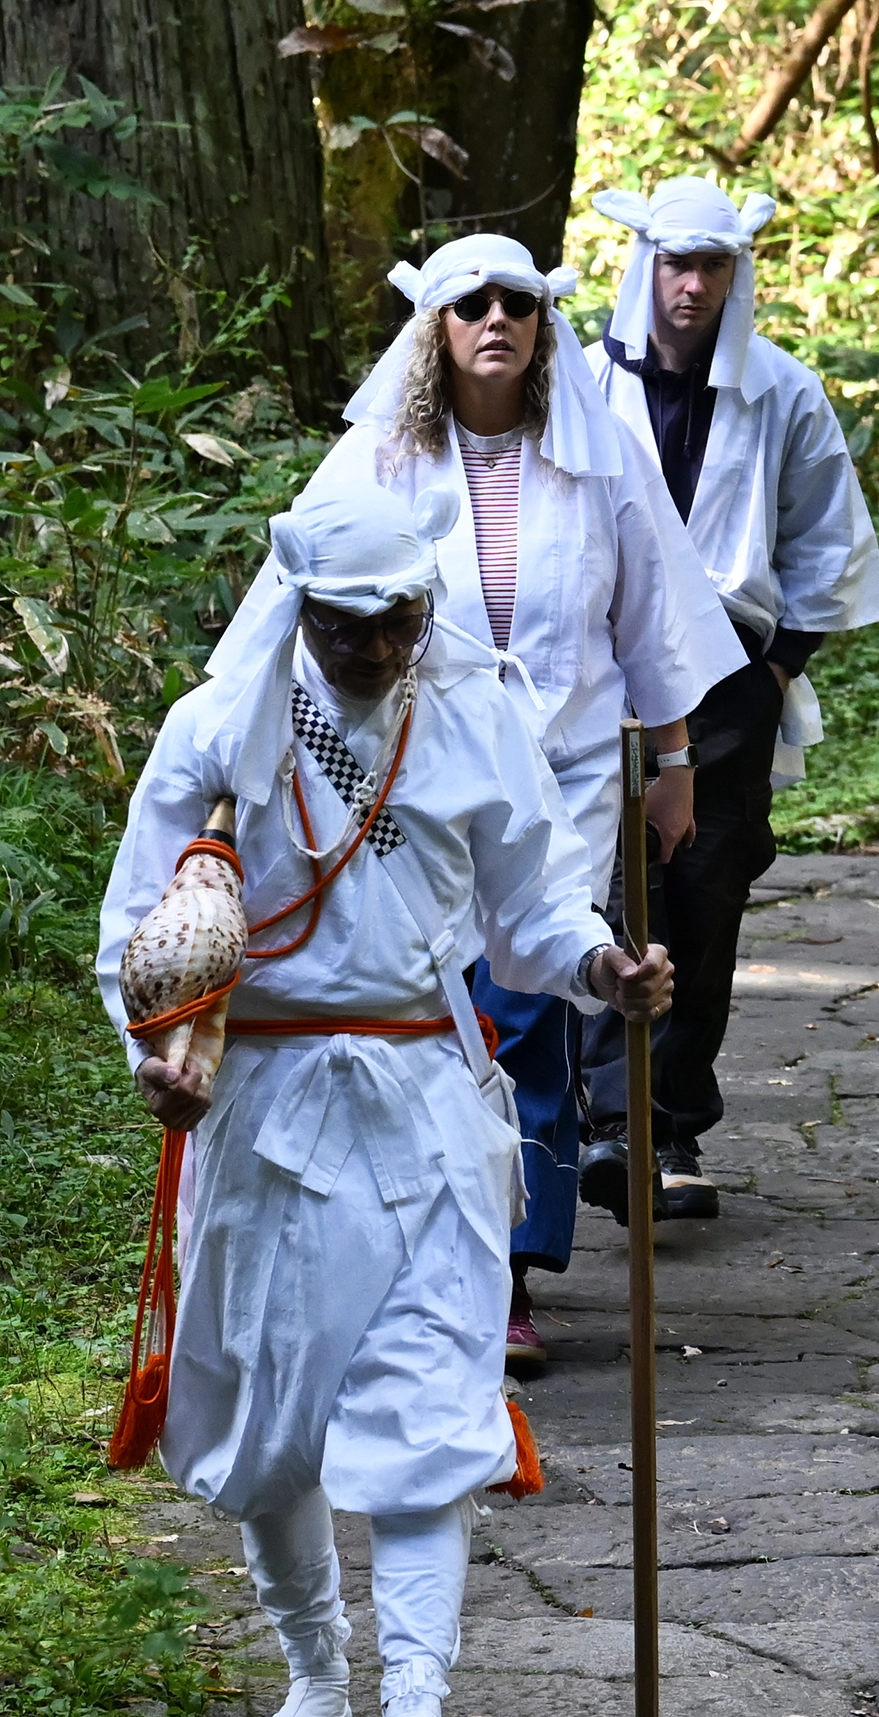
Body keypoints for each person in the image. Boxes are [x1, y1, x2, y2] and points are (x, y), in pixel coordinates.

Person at [98, 473, 671, 1717]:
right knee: (278, 1409)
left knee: (426, 1398)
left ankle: (420, 1714)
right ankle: (316, 1678)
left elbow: (536, 915)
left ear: (429, 603)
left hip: (427, 1098)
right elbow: (141, 931)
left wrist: (605, 968)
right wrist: (160, 1057)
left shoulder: (480, 722)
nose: (372, 645)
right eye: (345, 621)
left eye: (396, 617)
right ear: (298, 607)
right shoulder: (214, 735)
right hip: (267, 1107)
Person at [301, 233, 744, 1370]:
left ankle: (506, 1271)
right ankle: (416, 1252)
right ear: (435, 327)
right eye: (470, 305)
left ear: (545, 325)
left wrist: (675, 764)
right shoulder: (377, 462)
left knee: (533, 1006)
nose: (496, 320)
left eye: (518, 303)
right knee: (434, 1008)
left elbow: (650, 618)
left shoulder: (596, 459)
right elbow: (302, 611)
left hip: (567, 764)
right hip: (415, 775)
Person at [582, 174, 879, 1218]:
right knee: (597, 885)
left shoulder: (781, 391)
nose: (692, 284)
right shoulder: (582, 385)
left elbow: (827, 536)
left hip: (726, 675)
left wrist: (777, 666)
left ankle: (669, 1124)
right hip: (603, 674)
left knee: (704, 893)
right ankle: (602, 1118)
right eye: (676, 262)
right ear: (645, 266)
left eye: (713, 265)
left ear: (737, 273)